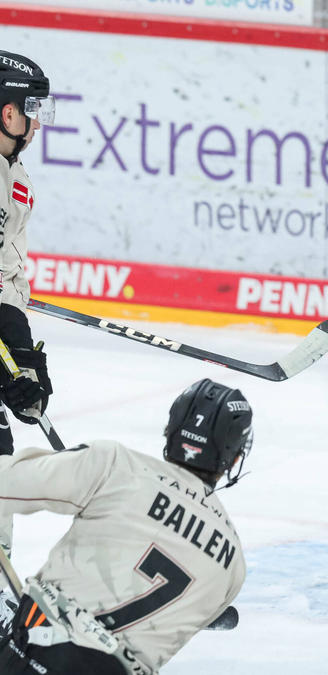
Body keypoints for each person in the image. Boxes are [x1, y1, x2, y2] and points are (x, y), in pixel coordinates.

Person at [0, 379, 252, 675]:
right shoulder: (232, 565)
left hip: (31, 657)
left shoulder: (115, 466)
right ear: (235, 456)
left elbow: (7, 483)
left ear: (169, 429)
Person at [0, 50, 56, 560]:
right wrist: (12, 361)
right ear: (7, 112)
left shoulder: (13, 175)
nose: (37, 121)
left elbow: (4, 277)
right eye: (31, 108)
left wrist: (19, 353)